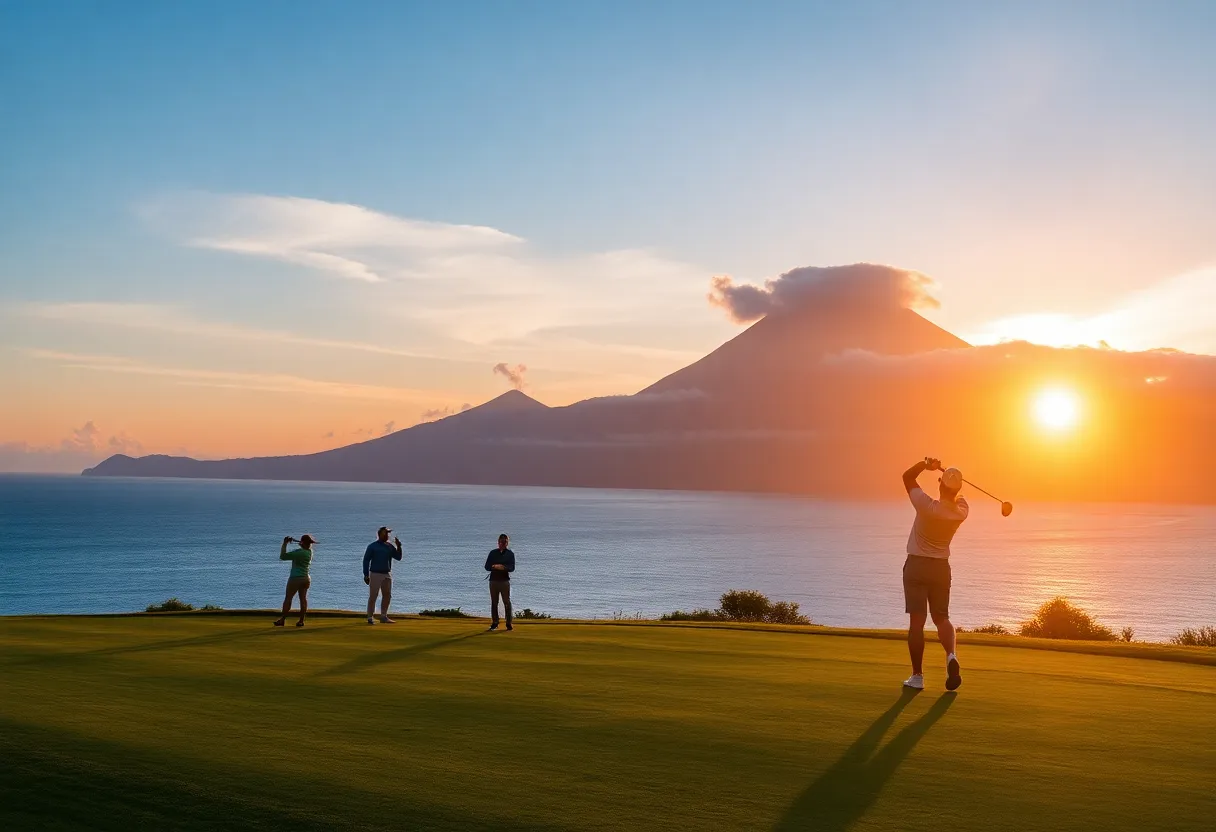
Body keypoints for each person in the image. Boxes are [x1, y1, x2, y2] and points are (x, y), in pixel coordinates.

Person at [901, 457, 969, 691]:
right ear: (957, 488)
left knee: (917, 622)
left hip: (917, 566)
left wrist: (925, 464)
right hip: (941, 568)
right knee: (942, 618)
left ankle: (917, 676)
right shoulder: (961, 512)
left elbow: (907, 477)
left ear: (940, 485)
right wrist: (953, 485)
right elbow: (959, 499)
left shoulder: (925, 505)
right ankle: (951, 656)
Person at [363, 526, 403, 624]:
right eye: (385, 533)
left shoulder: (389, 546)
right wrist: (366, 574)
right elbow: (366, 560)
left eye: (388, 533)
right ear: (380, 534)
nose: (387, 535)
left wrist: (399, 547)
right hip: (375, 573)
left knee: (387, 595)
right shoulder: (372, 546)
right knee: (373, 596)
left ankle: (383, 616)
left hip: (387, 574)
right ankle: (370, 617)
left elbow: (398, 557)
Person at [275, 534, 316, 627]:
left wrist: (285, 544)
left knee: (288, 599)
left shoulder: (299, 552)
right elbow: (302, 548)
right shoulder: (310, 552)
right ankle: (301, 621)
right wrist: (300, 543)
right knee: (303, 599)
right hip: (306, 578)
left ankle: (282, 620)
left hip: (295, 578)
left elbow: (283, 556)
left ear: (302, 542)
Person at [484, 533, 515, 631]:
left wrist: (502, 567)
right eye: (501, 542)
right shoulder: (493, 553)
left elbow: (512, 568)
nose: (503, 544)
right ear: (498, 542)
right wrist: (494, 566)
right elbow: (487, 566)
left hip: (504, 581)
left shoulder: (510, 554)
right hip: (493, 581)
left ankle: (508, 623)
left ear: (507, 543)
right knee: (494, 602)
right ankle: (495, 623)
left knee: (507, 602)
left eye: (505, 542)